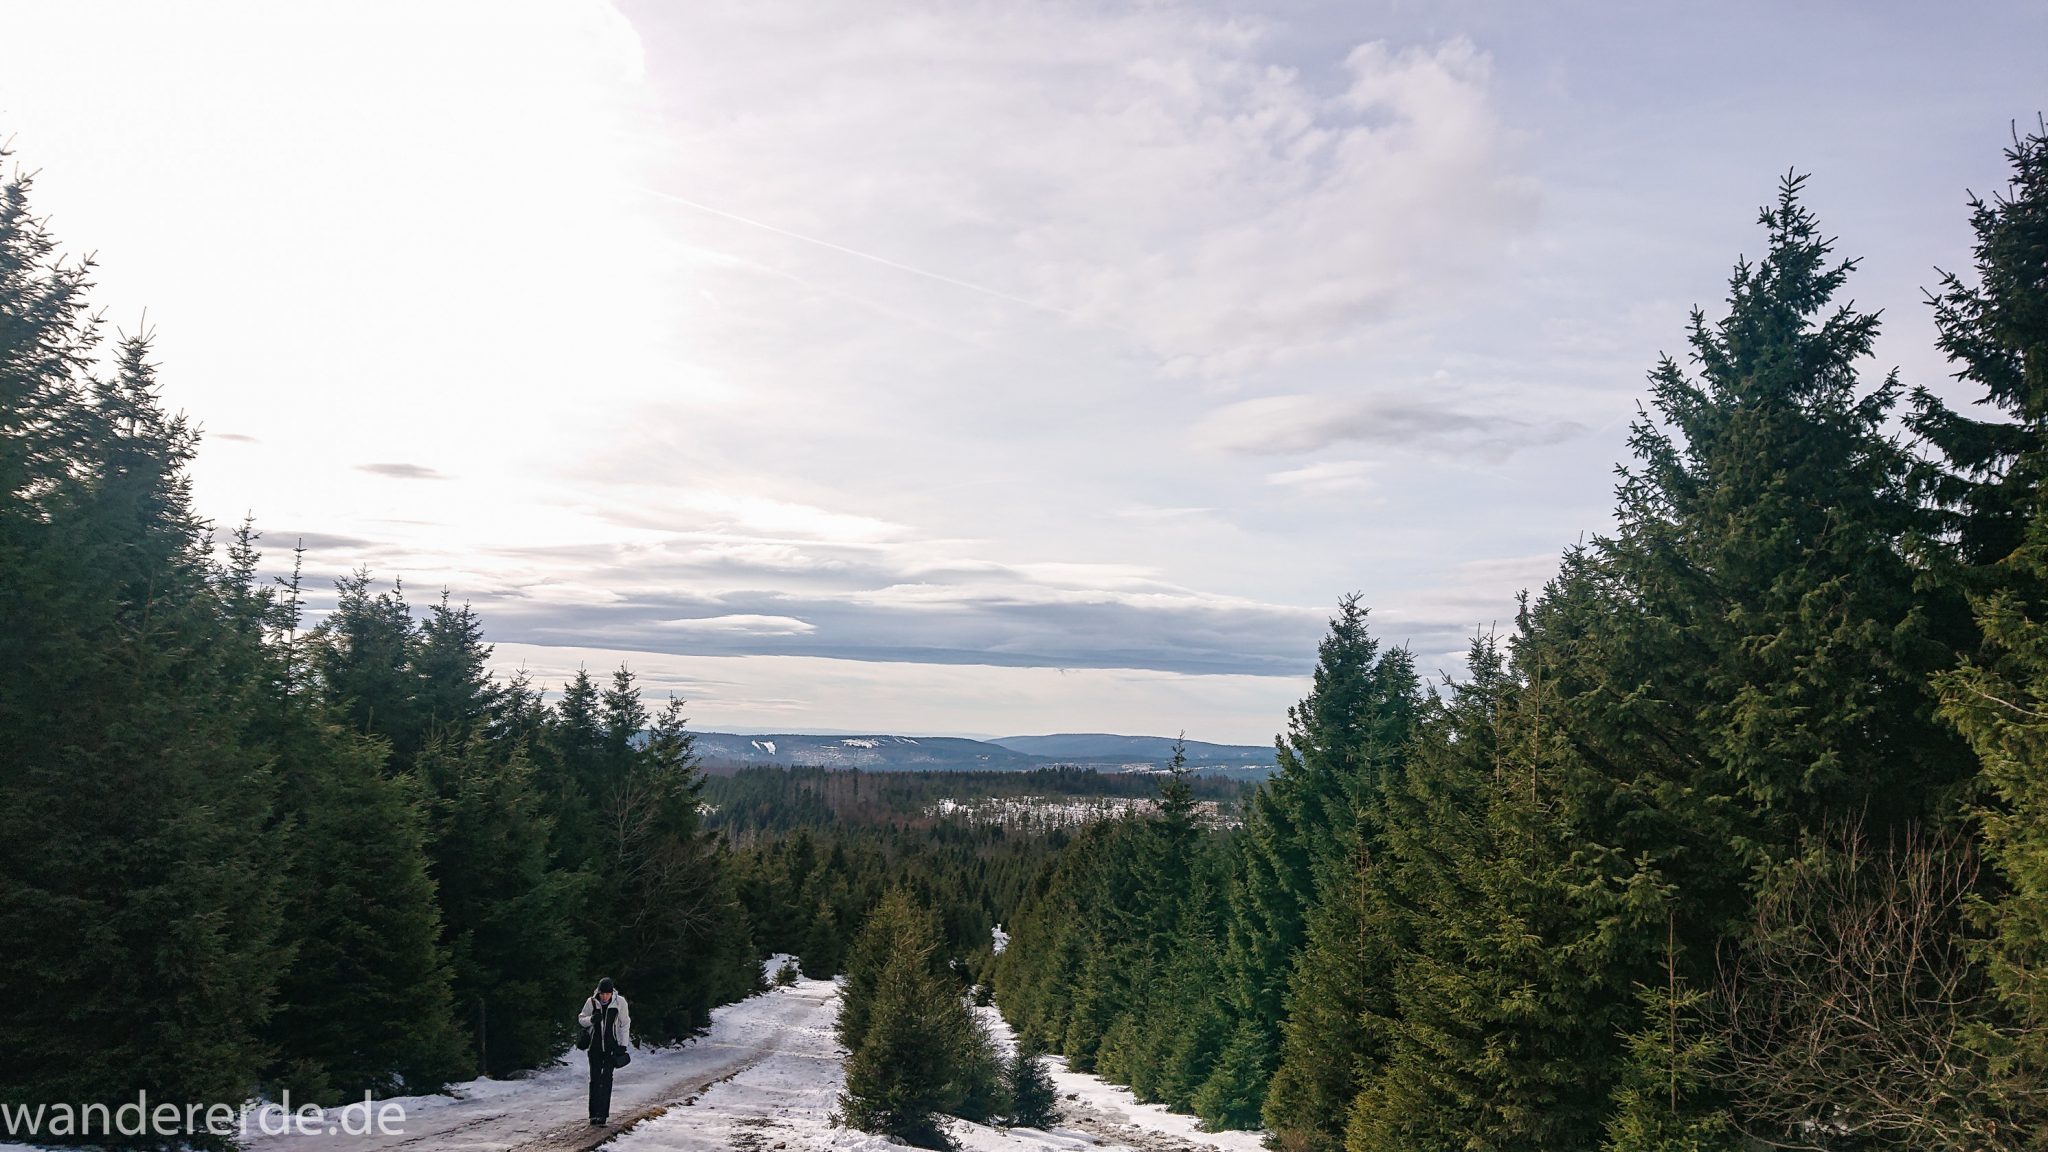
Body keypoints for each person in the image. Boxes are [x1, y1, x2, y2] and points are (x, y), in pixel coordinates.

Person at [578, 977, 632, 1126]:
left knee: (606, 1079)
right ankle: (593, 1115)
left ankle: (603, 1115)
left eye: (607, 994)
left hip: (611, 1047)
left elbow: (625, 1023)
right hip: (594, 1047)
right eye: (602, 994)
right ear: (599, 992)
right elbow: (581, 1019)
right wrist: (591, 1020)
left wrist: (623, 1045)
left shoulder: (619, 1002)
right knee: (595, 1079)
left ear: (612, 992)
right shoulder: (591, 1002)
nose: (604, 997)